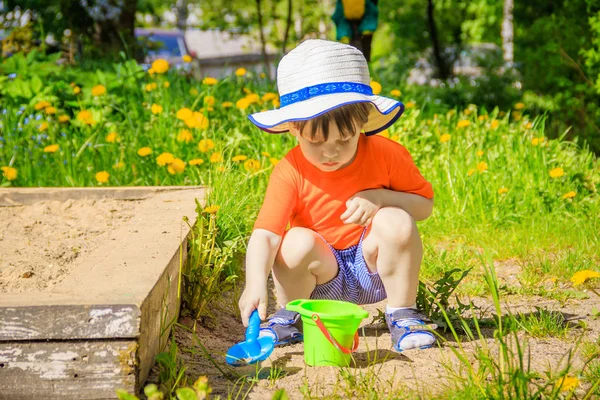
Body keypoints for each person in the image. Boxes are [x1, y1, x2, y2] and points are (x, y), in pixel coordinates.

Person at [239, 39, 436, 352]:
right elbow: (265, 236)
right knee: (294, 241)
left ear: (361, 121)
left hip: (371, 268)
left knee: (396, 220)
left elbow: (423, 206)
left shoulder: (387, 155)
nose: (330, 153)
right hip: (320, 276)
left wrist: (381, 199)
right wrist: (254, 284)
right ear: (293, 127)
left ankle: (402, 314)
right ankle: (294, 316)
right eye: (316, 142)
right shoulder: (290, 170)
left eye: (344, 140)